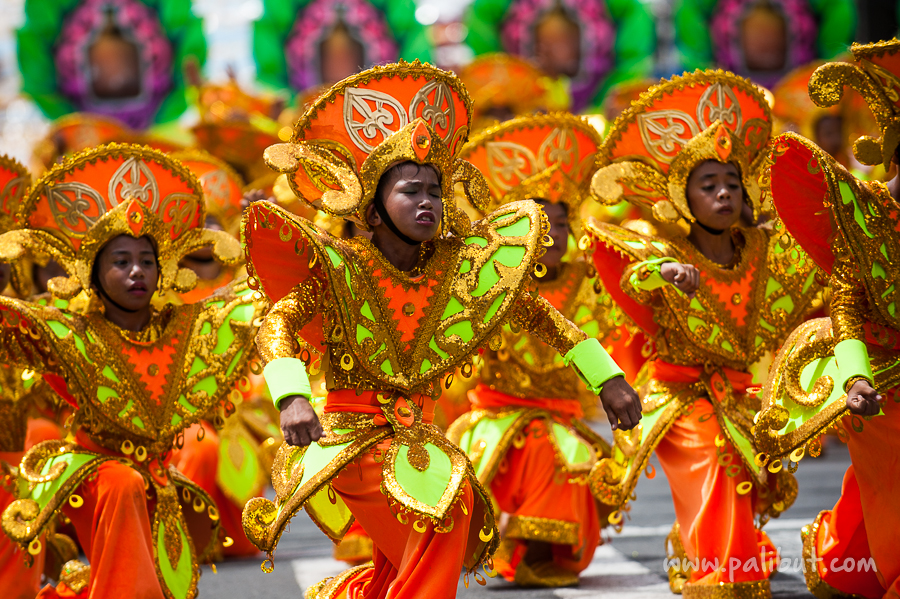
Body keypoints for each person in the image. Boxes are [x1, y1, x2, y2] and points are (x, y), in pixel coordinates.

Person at [240, 61, 641, 599]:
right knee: (444, 517)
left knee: (406, 561)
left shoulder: (460, 270)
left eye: (435, 190)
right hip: (355, 443)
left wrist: (606, 378)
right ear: (373, 212)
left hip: (421, 443)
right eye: (411, 191)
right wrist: (292, 397)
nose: (427, 201)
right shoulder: (340, 268)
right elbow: (278, 322)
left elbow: (538, 314)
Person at [584, 70, 821, 598]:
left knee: (743, 473)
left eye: (731, 183)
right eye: (708, 185)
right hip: (681, 396)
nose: (722, 193)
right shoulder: (665, 252)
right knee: (717, 457)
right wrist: (665, 273)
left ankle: (712, 554)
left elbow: (814, 257)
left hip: (740, 392)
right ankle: (724, 574)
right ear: (682, 197)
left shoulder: (762, 248)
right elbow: (635, 276)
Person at [0, 144, 267, 599]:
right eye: (121, 262)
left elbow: (254, 302)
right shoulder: (68, 330)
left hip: (161, 475)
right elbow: (13, 322)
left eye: (147, 261)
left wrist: (264, 236)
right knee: (123, 482)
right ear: (93, 272)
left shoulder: (186, 325)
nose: (136, 272)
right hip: (93, 474)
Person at [446, 112, 625, 587]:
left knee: (560, 444)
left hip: (565, 418)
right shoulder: (486, 283)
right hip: (497, 418)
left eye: (561, 223)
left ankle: (539, 547)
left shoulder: (592, 278)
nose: (553, 235)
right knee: (541, 442)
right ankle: (512, 540)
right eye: (540, 224)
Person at [755, 38, 900, 599]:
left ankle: (844, 560)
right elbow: (846, 302)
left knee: (878, 489)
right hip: (877, 377)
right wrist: (856, 377)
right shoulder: (863, 211)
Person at [464, 0, 655, 111]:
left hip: (602, 107)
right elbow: (482, 26)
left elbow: (634, 52)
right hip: (522, 115)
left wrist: (615, 98)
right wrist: (500, 91)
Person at [674, 0, 855, 89]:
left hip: (803, 99)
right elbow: (691, 13)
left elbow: (835, 10)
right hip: (728, 98)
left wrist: (829, 71)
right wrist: (705, 74)